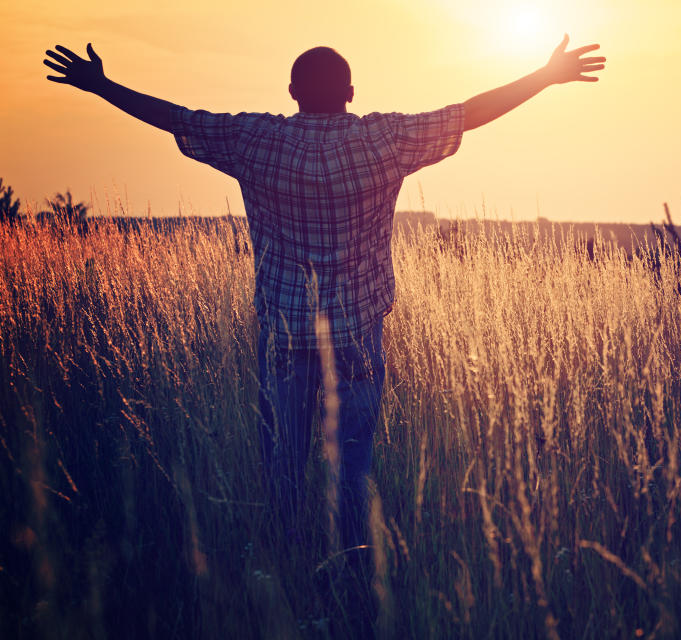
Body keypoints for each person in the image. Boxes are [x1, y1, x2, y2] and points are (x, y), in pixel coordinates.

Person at [43, 36, 604, 559]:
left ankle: (287, 560)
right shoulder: (384, 139)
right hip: (357, 335)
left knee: (282, 463)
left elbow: (177, 119)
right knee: (352, 467)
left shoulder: (254, 140)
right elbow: (468, 113)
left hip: (284, 335)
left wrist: (102, 86)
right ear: (351, 94)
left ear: (292, 93)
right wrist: (545, 76)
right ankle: (352, 567)